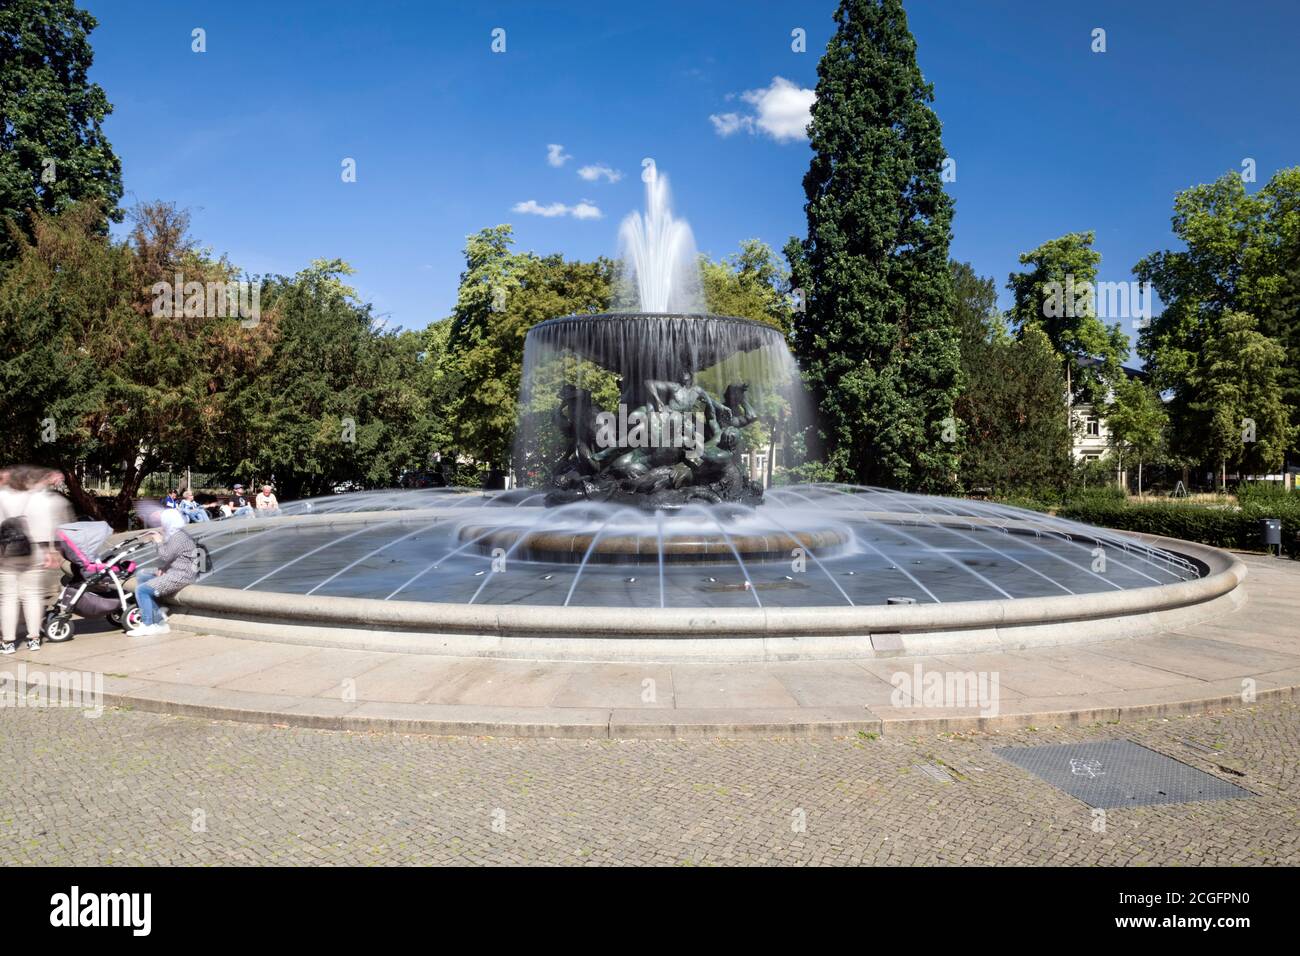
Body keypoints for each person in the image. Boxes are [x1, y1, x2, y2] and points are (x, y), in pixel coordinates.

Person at [0, 465, 72, 654]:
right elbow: (50, 528)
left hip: (5, 554)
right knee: (32, 595)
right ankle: (33, 639)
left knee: (8, 598)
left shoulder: (2, 496)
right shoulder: (41, 499)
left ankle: (8, 642)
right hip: (35, 553)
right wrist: (52, 552)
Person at [128, 510, 198, 637]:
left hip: (181, 575)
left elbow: (165, 556)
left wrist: (158, 541)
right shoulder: (176, 534)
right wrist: (164, 567)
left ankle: (148, 625)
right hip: (175, 570)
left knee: (142, 590)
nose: (161, 522)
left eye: (163, 520)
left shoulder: (178, 537)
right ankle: (159, 617)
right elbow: (174, 557)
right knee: (142, 575)